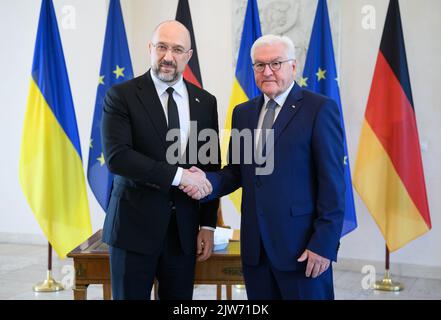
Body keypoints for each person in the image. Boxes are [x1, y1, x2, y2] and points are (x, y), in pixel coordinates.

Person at [183, 35, 345, 300]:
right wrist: (207, 182)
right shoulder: (243, 113)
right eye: (259, 65)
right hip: (256, 250)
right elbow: (236, 172)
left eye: (276, 63)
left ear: (293, 67)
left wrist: (324, 244)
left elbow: (333, 184)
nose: (267, 71)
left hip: (303, 250)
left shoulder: (319, 109)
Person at [101, 20, 220, 300]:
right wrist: (180, 177)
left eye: (177, 49)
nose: (168, 57)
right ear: (150, 49)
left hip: (183, 235)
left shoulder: (206, 102)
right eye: (162, 47)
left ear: (188, 56)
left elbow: (210, 166)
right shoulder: (121, 96)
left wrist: (208, 225)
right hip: (132, 232)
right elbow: (119, 158)